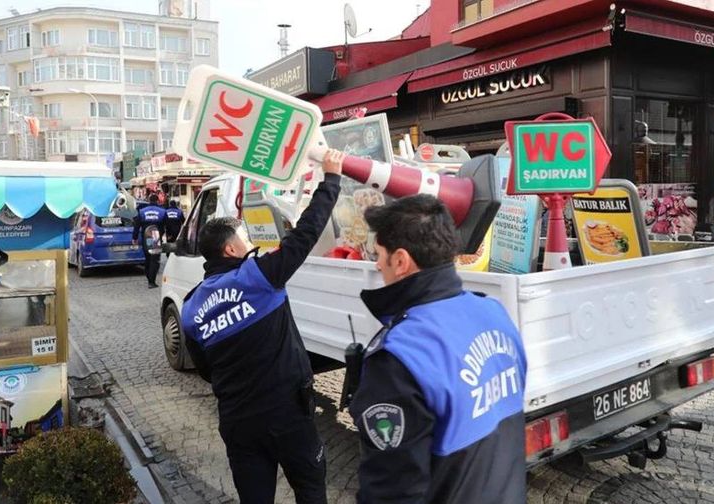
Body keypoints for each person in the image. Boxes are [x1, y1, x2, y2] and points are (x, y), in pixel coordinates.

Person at [181, 149, 344, 504]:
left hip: (238, 422)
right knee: (311, 490)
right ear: (229, 250)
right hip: (288, 415)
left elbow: (205, 369)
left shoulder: (191, 307)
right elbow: (306, 234)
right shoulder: (258, 277)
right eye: (244, 239)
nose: (251, 245)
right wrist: (331, 179)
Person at [349, 195, 528, 503]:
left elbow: (393, 492)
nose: (376, 264)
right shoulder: (494, 313)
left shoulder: (401, 355)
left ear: (401, 261)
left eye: (378, 254)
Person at [132, 194, 166, 288]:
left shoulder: (142, 211)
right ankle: (151, 281)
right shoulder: (162, 211)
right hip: (156, 236)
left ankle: (149, 278)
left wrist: (134, 238)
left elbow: (136, 226)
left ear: (149, 200)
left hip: (146, 237)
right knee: (154, 259)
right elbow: (167, 225)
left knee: (148, 258)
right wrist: (166, 234)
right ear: (157, 200)